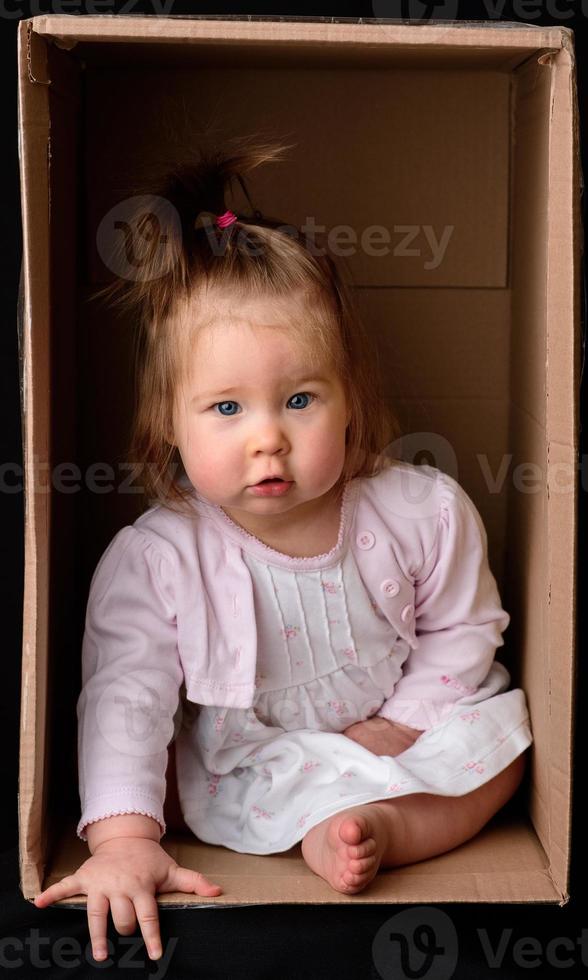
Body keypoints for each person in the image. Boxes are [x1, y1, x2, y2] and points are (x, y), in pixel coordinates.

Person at [33, 139, 533, 962]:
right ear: (169, 424)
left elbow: (464, 631)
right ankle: (324, 831)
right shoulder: (160, 557)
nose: (268, 438)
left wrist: (403, 729)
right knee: (191, 781)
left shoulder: (418, 508)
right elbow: (127, 698)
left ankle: (383, 830)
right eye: (226, 408)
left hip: (398, 733)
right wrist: (122, 840)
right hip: (258, 761)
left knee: (503, 745)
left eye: (299, 399)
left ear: (348, 401)